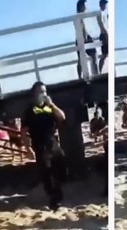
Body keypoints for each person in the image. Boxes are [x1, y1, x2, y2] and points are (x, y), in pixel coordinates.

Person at [21, 81, 67, 210]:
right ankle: (54, 199)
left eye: (45, 91)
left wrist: (51, 104)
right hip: (40, 146)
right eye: (40, 92)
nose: (43, 94)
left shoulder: (49, 107)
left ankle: (58, 192)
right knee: (47, 173)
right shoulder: (30, 110)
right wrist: (27, 149)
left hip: (53, 143)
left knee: (61, 169)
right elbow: (23, 132)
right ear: (34, 94)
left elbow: (62, 117)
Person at [76, 0, 99, 78]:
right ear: (81, 6)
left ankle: (95, 74)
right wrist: (85, 37)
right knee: (82, 59)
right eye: (84, 5)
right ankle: (93, 74)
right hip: (82, 38)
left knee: (92, 55)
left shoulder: (82, 16)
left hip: (85, 37)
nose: (85, 7)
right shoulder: (78, 16)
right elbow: (80, 28)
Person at [97, 0, 109, 72]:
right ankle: (100, 71)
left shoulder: (102, 14)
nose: (105, 6)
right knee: (104, 54)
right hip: (103, 34)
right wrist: (106, 34)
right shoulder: (99, 13)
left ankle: (100, 70)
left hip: (104, 34)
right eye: (104, 4)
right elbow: (101, 24)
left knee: (105, 53)